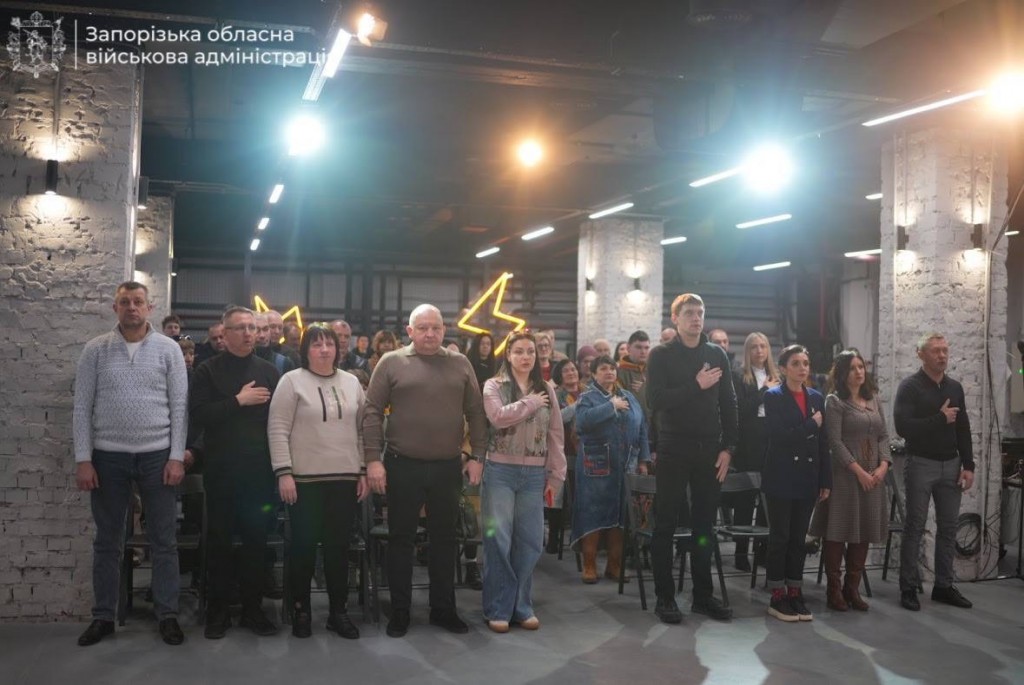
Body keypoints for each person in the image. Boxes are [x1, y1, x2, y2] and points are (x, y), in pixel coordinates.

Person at [73, 281, 188, 647]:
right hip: (107, 457)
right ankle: (103, 616)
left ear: (149, 307)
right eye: (125, 302)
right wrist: (83, 459)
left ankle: (167, 614)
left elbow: (180, 407)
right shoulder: (95, 350)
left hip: (157, 455)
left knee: (164, 540)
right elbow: (81, 407)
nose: (132, 307)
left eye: (138, 301)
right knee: (107, 541)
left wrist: (176, 456)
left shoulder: (168, 349)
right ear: (115, 308)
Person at [362, 304, 487, 638]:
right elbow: (371, 411)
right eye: (423, 328)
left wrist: (477, 455)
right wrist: (373, 459)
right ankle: (400, 611)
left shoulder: (460, 363)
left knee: (445, 540)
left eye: (436, 327)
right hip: (402, 464)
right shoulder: (391, 362)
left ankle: (443, 609)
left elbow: (476, 412)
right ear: (410, 331)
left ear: (444, 330)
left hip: (447, 467)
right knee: (400, 539)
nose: (430, 333)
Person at [268, 323, 368, 639]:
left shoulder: (352, 382)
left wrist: (363, 470)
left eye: (329, 344)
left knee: (339, 549)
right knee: (304, 547)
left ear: (338, 349)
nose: (324, 349)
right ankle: (301, 610)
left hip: (344, 478)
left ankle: (338, 612)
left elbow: (363, 430)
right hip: (304, 480)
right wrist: (284, 472)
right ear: (306, 350)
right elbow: (277, 429)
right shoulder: (291, 381)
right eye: (316, 344)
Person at [646, 293, 736, 624]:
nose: (696, 318)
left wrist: (729, 448)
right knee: (666, 524)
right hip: (673, 447)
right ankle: (665, 597)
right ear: (675, 318)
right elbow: (655, 400)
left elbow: (729, 403)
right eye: (689, 313)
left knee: (704, 526)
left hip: (709, 449)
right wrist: (695, 385)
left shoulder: (716, 354)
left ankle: (702, 596)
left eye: (700, 312)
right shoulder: (661, 355)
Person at [191, 306, 281, 639]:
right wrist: (238, 401)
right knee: (220, 543)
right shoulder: (207, 370)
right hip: (221, 471)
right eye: (240, 328)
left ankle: (252, 611)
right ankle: (218, 613)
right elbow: (200, 415)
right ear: (225, 333)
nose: (248, 333)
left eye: (252, 328)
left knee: (256, 543)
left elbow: (278, 422)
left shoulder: (269, 371)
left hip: (259, 473)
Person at [481, 332, 566, 632]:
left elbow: (556, 434)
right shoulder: (494, 385)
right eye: (519, 351)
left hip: (534, 474)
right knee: (499, 540)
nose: (526, 357)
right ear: (508, 354)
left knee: (530, 541)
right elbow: (497, 417)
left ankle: (521, 606)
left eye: (530, 351)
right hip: (500, 471)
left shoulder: (546, 389)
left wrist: (556, 474)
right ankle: (498, 607)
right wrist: (529, 402)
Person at [894, 333, 975, 612]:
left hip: (951, 464)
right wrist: (940, 418)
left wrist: (969, 465)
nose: (942, 355)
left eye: (945, 350)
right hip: (921, 463)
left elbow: (962, 427)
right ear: (921, 354)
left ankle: (943, 586)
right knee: (915, 526)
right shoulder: (910, 387)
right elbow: (903, 427)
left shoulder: (954, 387)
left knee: (949, 528)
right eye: (935, 351)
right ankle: (908, 587)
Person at [811, 349, 891, 612]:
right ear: (843, 373)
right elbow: (834, 442)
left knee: (863, 529)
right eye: (853, 368)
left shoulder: (873, 398)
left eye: (861, 367)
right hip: (845, 476)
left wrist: (883, 466)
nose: (859, 372)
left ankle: (852, 588)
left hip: (873, 476)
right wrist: (859, 472)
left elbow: (883, 436)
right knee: (837, 531)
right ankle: (834, 590)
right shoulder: (835, 401)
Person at [762, 344, 831, 622]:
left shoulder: (816, 397)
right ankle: (777, 594)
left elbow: (823, 443)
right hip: (781, 475)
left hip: (807, 476)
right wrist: (810, 426)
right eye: (795, 363)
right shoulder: (773, 396)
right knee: (780, 537)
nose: (802, 368)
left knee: (799, 539)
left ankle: (794, 590)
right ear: (783, 368)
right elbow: (779, 436)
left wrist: (825, 479)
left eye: (805, 363)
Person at [571, 356, 650, 584]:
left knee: (620, 516)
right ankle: (589, 565)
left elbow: (642, 428)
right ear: (594, 373)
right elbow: (582, 422)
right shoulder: (587, 397)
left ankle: (614, 566)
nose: (609, 372)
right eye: (603, 368)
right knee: (592, 513)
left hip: (625, 464)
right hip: (596, 466)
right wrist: (610, 407)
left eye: (612, 368)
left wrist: (643, 460)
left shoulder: (629, 397)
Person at [728, 332, 780, 571]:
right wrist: (765, 392)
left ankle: (761, 551)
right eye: (754, 347)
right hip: (749, 441)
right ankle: (740, 553)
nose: (759, 351)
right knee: (746, 499)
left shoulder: (776, 376)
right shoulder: (740, 376)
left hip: (771, 439)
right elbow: (740, 409)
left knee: (768, 498)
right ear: (747, 352)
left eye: (763, 346)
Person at [548, 359, 582, 553]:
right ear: (559, 375)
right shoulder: (555, 394)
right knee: (557, 498)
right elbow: (557, 418)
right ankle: (553, 538)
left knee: (580, 497)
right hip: (561, 451)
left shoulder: (587, 391)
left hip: (583, 452)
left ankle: (579, 537)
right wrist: (578, 405)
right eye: (566, 370)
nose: (571, 372)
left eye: (573, 369)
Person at [617, 331, 651, 413]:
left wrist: (647, 388)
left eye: (646, 348)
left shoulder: (654, 369)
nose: (643, 352)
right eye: (639, 347)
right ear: (628, 348)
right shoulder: (618, 372)